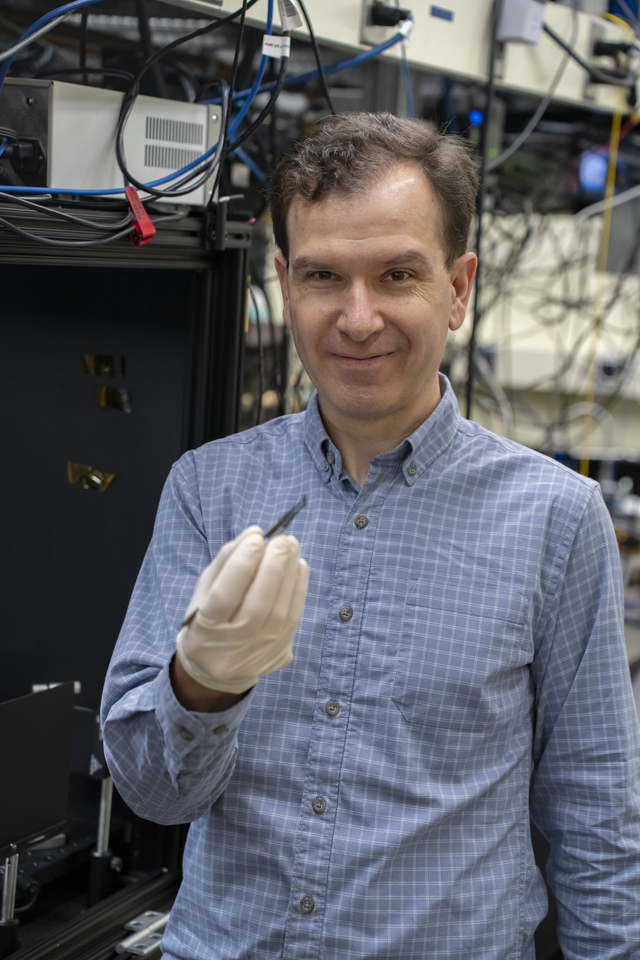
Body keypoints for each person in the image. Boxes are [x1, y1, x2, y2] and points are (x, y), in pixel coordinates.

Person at [102, 113, 640, 960]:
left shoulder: (557, 518)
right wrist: (204, 683)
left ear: (458, 287)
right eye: (324, 276)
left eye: (397, 275)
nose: (357, 318)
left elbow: (597, 813)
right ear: (286, 284)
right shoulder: (210, 488)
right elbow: (152, 798)